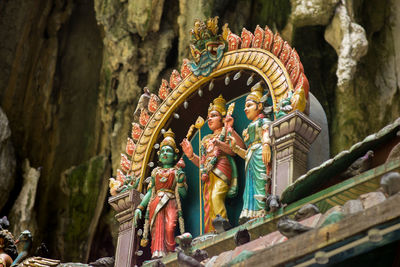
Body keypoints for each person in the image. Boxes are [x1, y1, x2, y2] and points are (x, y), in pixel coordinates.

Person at [181, 95, 245, 233]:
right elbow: (202, 162)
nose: (209, 119)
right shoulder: (206, 139)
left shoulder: (225, 132)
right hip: (208, 173)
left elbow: (236, 150)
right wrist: (190, 155)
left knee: (216, 196)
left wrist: (227, 133)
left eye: (214, 116)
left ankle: (223, 225)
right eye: (208, 117)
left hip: (222, 168)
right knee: (208, 202)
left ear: (222, 118)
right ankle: (211, 231)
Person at [134, 129, 187, 258]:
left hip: (171, 202)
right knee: (157, 229)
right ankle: (157, 253)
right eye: (162, 151)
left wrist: (180, 182)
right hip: (156, 202)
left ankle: (170, 253)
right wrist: (140, 207)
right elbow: (151, 192)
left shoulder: (176, 172)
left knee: (169, 228)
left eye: (168, 151)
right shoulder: (155, 173)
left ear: (174, 156)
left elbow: (183, 194)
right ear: (158, 155)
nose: (164, 153)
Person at [229, 82, 272, 223]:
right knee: (250, 187)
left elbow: (267, 132)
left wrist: (266, 144)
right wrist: (235, 148)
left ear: (260, 106)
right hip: (251, 157)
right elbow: (246, 153)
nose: (245, 109)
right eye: (245, 106)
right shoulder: (247, 128)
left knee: (261, 182)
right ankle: (250, 212)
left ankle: (262, 210)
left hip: (260, 153)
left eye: (249, 105)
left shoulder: (262, 122)